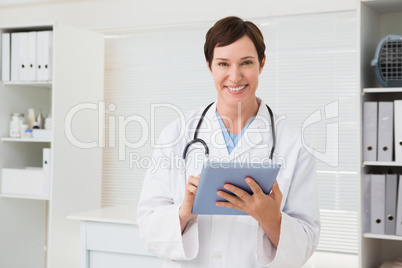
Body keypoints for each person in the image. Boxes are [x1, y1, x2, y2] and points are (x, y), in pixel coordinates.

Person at [137, 16, 320, 268]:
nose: (235, 77)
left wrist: (271, 219)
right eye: (223, 63)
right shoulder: (176, 135)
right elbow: (148, 228)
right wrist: (184, 213)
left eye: (246, 63)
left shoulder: (294, 144)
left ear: (262, 64)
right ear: (210, 66)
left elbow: (306, 243)